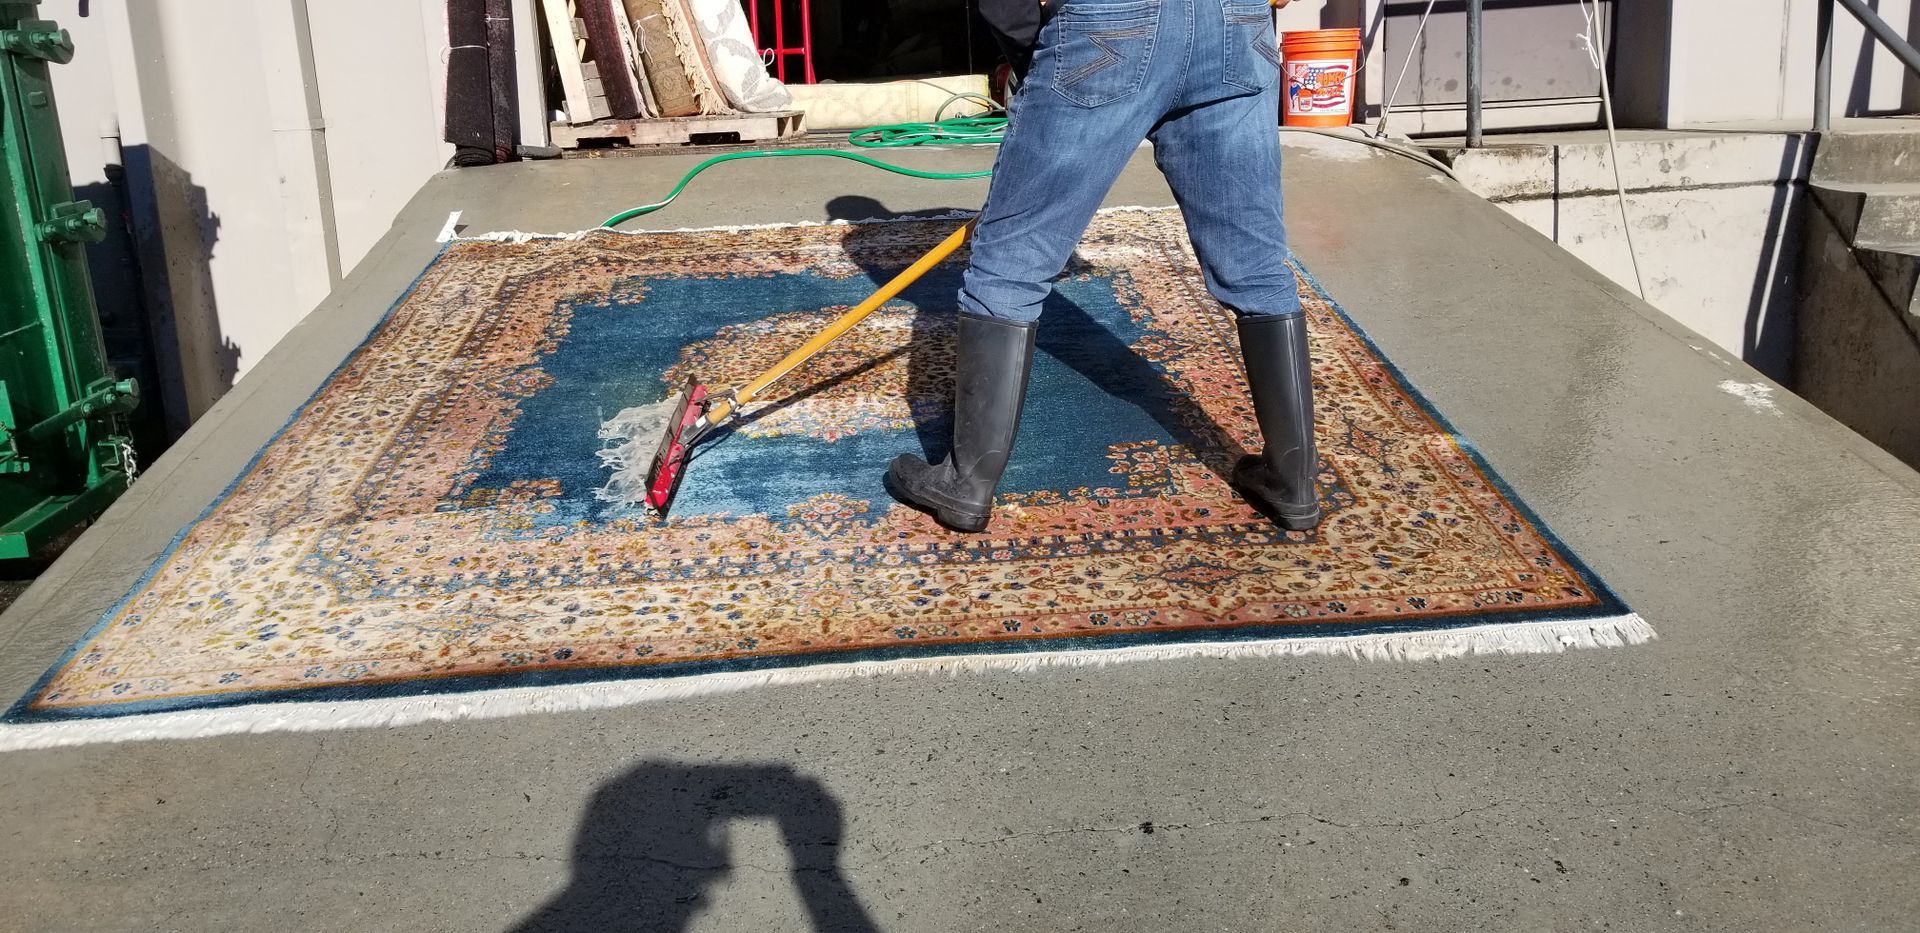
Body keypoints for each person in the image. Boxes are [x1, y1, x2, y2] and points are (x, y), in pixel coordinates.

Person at [884, 0, 1319, 534]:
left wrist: (1038, 49)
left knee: (1010, 262)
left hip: (1113, 24)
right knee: (1254, 263)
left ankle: (966, 483)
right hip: (1235, 24)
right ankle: (1294, 481)